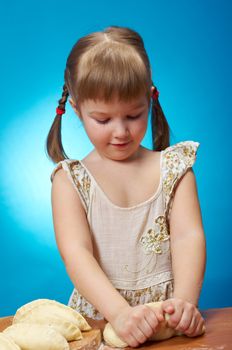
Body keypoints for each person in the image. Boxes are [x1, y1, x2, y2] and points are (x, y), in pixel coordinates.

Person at [46, 25, 206, 348]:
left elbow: (189, 236)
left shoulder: (174, 170)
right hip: (101, 318)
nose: (120, 132)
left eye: (134, 115)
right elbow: (76, 253)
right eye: (103, 120)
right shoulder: (70, 182)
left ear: (149, 99)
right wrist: (119, 314)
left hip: (165, 322)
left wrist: (185, 303)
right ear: (76, 109)